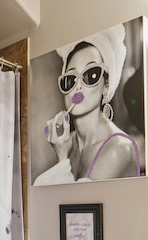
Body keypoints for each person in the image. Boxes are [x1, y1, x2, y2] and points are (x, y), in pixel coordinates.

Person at [34, 24, 140, 185]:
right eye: (70, 79)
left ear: (106, 85)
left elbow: (79, 207)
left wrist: (62, 158)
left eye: (91, 74)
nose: (78, 85)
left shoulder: (119, 149)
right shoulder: (67, 143)